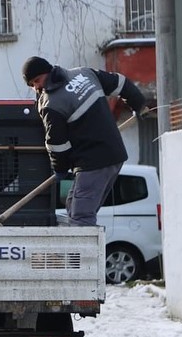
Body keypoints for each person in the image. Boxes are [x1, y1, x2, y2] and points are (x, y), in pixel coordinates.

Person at [21, 56, 149, 226]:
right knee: (73, 207)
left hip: (93, 162)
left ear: (47, 71)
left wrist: (60, 168)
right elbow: (121, 83)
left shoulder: (51, 104)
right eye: (31, 85)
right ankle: (77, 251)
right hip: (114, 155)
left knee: (81, 217)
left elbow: (57, 145)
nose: (36, 87)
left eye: (37, 80)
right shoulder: (84, 73)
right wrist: (138, 104)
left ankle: (85, 253)